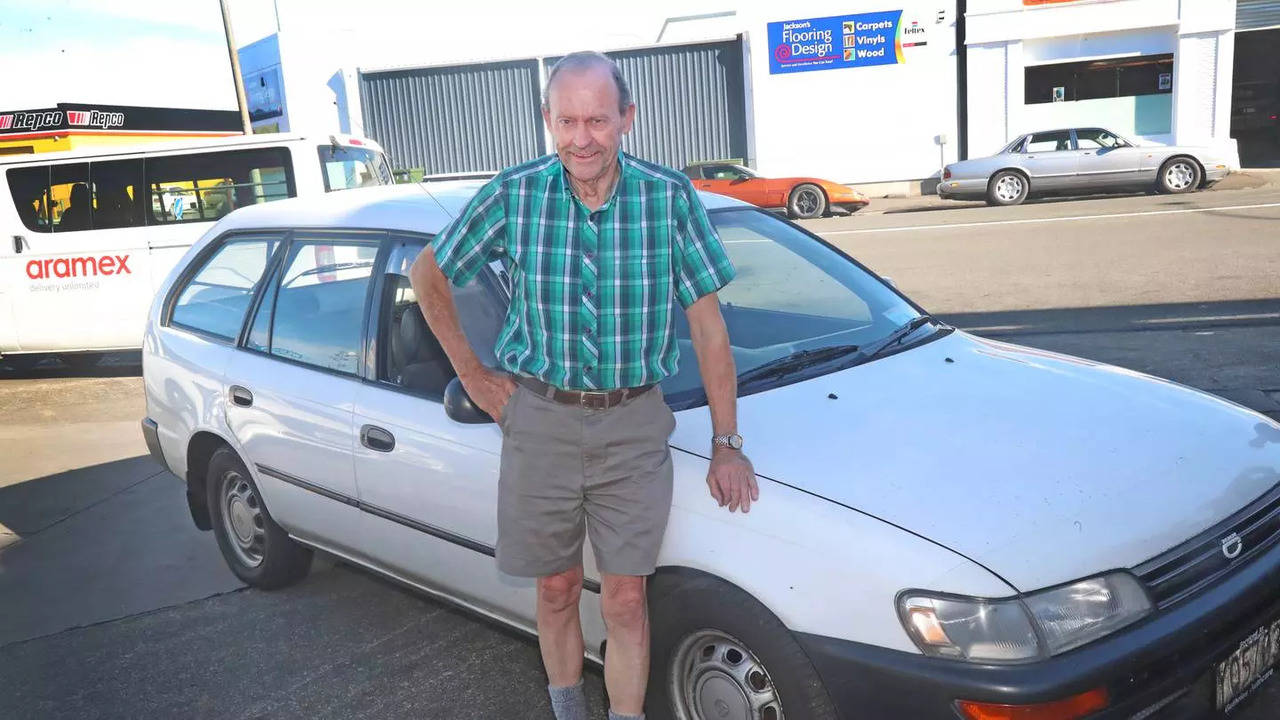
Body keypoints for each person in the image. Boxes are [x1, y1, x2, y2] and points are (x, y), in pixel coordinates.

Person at [409, 51, 758, 720]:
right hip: (540, 420)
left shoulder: (668, 199)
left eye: (597, 119)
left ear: (627, 117)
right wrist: (476, 376)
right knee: (558, 589)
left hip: (633, 424)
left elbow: (710, 331)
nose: (581, 138)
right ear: (547, 120)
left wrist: (727, 442)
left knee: (626, 598)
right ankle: (569, 709)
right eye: (566, 120)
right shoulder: (516, 195)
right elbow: (429, 275)